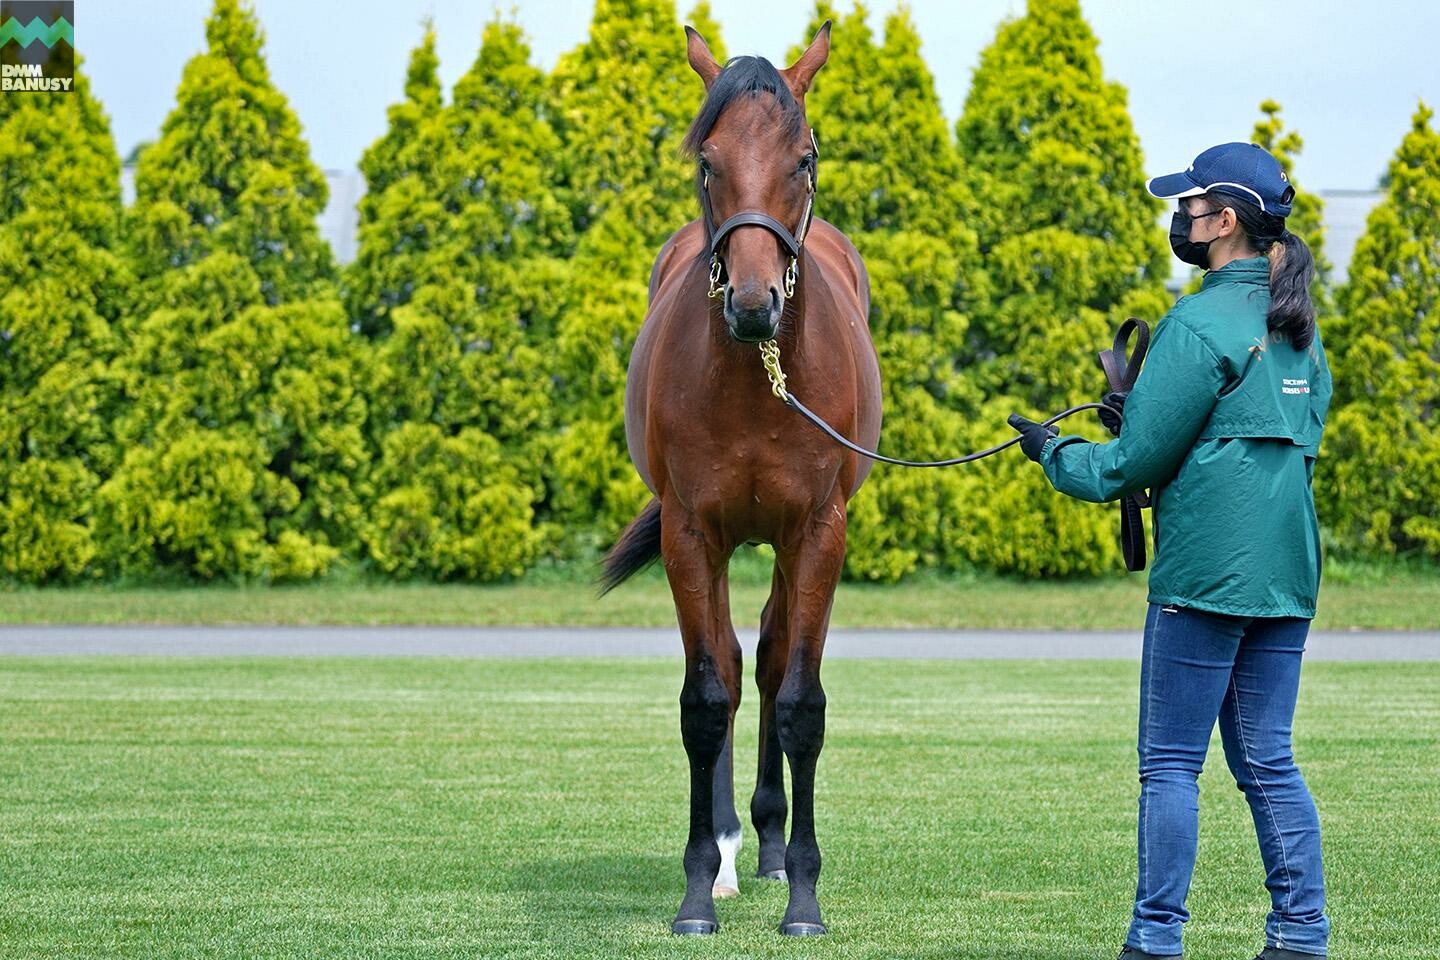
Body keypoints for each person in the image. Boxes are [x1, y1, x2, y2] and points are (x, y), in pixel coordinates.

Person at [1008, 142, 1333, 960]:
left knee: (1170, 767)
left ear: (1225, 221)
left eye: (1189, 206)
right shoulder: (1298, 325)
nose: (1179, 217)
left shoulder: (1197, 321)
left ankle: (1154, 941)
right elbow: (1287, 437)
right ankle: (1300, 935)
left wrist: (1054, 454)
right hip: (1288, 573)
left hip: (1202, 577)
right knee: (1268, 760)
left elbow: (1127, 466)